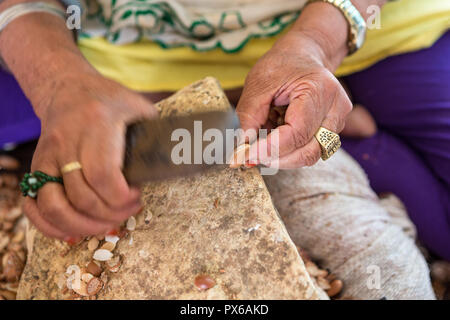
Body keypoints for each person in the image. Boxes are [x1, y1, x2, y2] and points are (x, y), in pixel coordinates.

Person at [0, 0, 448, 265]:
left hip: (357, 28)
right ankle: (325, 127)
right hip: (110, 48)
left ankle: (323, 119)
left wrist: (317, 41)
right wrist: (58, 81)